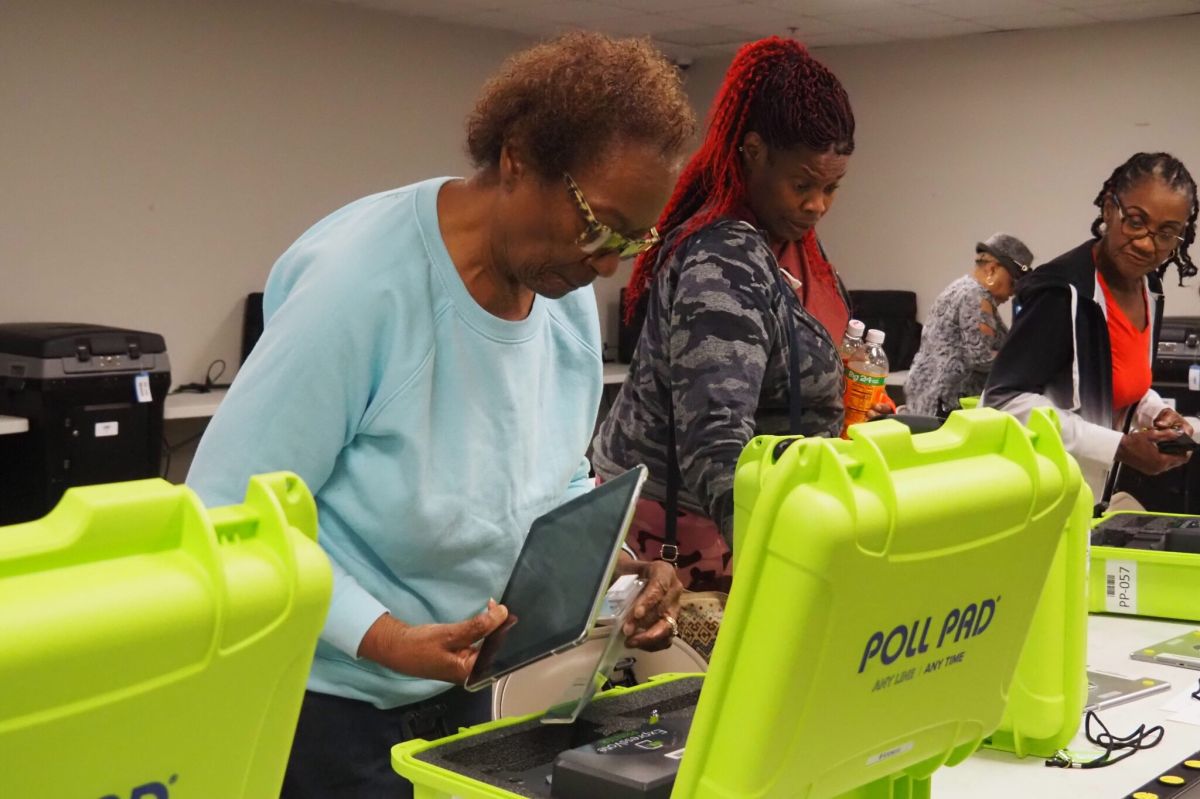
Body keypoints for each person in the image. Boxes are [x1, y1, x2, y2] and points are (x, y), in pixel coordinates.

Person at [186, 32, 695, 798]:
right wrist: (387, 638)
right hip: (321, 706)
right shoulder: (364, 292)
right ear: (519, 160)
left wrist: (622, 573)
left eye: (632, 239)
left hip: (459, 692)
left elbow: (547, 486)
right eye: (598, 224)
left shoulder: (563, 304)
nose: (606, 264)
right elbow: (227, 511)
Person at [591, 37, 854, 592]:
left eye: (832, 187)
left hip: (746, 518)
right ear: (753, 150)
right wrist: (780, 560)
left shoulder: (791, 242)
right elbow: (715, 440)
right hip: (685, 542)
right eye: (803, 184)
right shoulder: (723, 257)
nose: (818, 205)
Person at [984, 152, 1198, 499]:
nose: (1147, 243)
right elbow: (1001, 403)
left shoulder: (1150, 289)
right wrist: (1117, 446)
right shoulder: (1061, 293)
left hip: (1089, 497)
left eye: (1166, 233)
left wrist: (1158, 412)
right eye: (1135, 221)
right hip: (1035, 499)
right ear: (1110, 209)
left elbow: (1119, 384)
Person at [904, 233, 1035, 417]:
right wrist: (1027, 360)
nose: (1014, 292)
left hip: (930, 396)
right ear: (992, 270)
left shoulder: (963, 289)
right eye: (1013, 282)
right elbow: (981, 357)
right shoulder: (976, 297)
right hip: (944, 405)